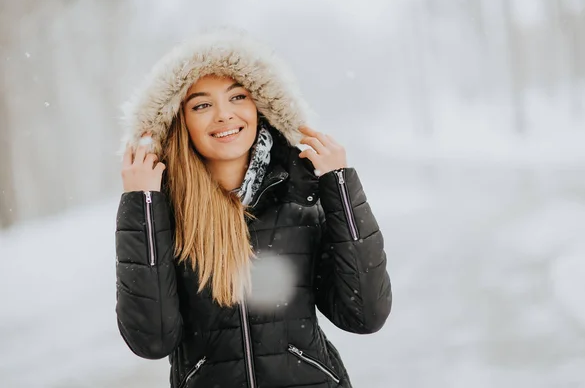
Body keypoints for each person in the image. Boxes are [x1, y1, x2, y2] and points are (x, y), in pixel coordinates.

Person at [115, 27, 392, 388]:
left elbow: (365, 315)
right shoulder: (162, 213)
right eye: (201, 105)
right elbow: (151, 339)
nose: (224, 115)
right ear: (180, 123)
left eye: (237, 97)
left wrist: (339, 184)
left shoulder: (301, 196)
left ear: (260, 107)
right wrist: (142, 205)